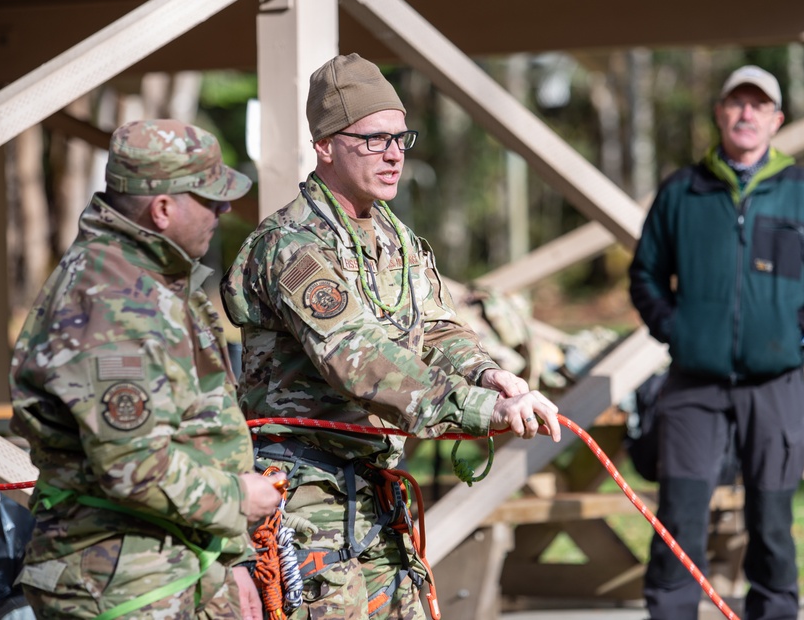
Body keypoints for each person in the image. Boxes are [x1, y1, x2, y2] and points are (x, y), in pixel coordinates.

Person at [221, 52, 562, 620]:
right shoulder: (293, 245)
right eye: (374, 140)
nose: (394, 154)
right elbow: (359, 361)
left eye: (402, 139)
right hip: (305, 496)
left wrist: (486, 372)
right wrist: (479, 409)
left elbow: (437, 327)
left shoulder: (395, 237)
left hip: (375, 487)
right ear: (325, 145)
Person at [10, 118, 284, 620]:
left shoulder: (152, 282)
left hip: (175, 570)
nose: (223, 212)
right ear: (162, 209)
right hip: (124, 585)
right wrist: (236, 498)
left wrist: (233, 558)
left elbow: (200, 430)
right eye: (211, 200)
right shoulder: (111, 301)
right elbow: (132, 465)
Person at [629, 64, 804, 620]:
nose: (747, 113)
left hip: (776, 386)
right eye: (737, 103)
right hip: (693, 388)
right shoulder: (683, 191)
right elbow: (646, 275)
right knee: (679, 521)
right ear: (720, 113)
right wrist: (676, 329)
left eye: (759, 105)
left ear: (777, 120)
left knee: (773, 524)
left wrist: (799, 333)